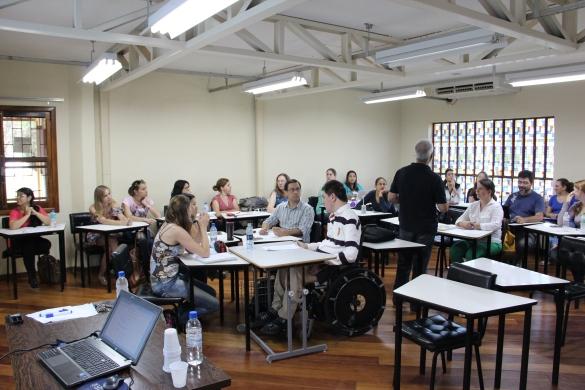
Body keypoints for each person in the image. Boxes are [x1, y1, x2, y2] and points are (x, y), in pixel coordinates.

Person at [255, 179, 315, 335]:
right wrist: (265, 227)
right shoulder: (281, 207)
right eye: (292, 190)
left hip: (301, 251)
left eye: (298, 189)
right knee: (281, 273)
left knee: (292, 273)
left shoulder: (307, 209)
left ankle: (284, 317)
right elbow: (269, 221)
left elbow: (303, 230)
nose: (295, 192)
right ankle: (275, 309)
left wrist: (284, 232)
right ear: (286, 192)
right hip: (283, 250)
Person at [388, 140, 448, 292]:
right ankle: (416, 301)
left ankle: (399, 298)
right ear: (431, 157)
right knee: (420, 265)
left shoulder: (401, 172)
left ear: (415, 154)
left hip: (406, 224)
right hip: (426, 228)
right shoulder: (434, 178)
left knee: (403, 262)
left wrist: (406, 199)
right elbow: (442, 207)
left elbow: (391, 197)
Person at [150, 194, 218, 316]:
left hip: (167, 279)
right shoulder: (176, 230)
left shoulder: (170, 224)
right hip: (165, 285)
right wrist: (203, 227)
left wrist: (197, 223)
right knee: (214, 305)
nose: (193, 209)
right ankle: (177, 318)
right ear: (184, 210)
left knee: (210, 292)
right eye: (190, 206)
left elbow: (193, 245)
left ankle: (184, 309)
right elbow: (205, 252)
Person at [451, 179, 503, 263]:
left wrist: (478, 225)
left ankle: (471, 275)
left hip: (492, 242)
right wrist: (463, 223)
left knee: (471, 254)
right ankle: (458, 274)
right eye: (476, 188)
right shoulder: (473, 205)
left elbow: (496, 225)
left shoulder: (496, 207)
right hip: (473, 240)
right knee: (456, 249)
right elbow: (458, 220)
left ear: (489, 191)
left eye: (480, 189)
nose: (476, 191)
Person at [8, 187, 52, 288]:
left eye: (21, 196)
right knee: (28, 246)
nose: (18, 198)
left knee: (46, 244)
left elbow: (48, 222)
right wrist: (27, 215)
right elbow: (13, 226)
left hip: (33, 240)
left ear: (29, 198)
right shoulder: (15, 211)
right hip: (18, 242)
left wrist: (35, 213)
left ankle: (35, 275)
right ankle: (32, 276)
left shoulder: (37, 208)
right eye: (17, 196)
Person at [89, 185, 130, 286]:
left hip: (111, 234)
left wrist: (123, 219)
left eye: (109, 194)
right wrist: (121, 223)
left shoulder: (113, 205)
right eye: (105, 195)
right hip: (96, 235)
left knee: (110, 247)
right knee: (112, 244)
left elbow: (123, 219)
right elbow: (103, 220)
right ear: (99, 198)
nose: (109, 197)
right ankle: (120, 275)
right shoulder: (93, 208)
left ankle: (106, 274)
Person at [122, 179, 161, 279]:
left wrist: (147, 205)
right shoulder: (128, 200)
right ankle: (145, 269)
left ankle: (149, 268)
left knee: (151, 242)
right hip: (131, 230)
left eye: (146, 188)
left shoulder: (147, 200)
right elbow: (129, 216)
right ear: (135, 191)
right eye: (143, 189)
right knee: (144, 241)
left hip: (144, 230)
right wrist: (145, 219)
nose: (146, 191)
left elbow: (158, 215)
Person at [504, 170, 545, 261]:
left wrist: (524, 219)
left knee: (522, 244)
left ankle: (517, 264)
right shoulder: (513, 196)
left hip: (527, 231)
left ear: (531, 183)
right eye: (520, 182)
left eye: (525, 183)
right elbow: (504, 211)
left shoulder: (537, 198)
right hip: (510, 228)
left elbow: (539, 217)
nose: (521, 185)